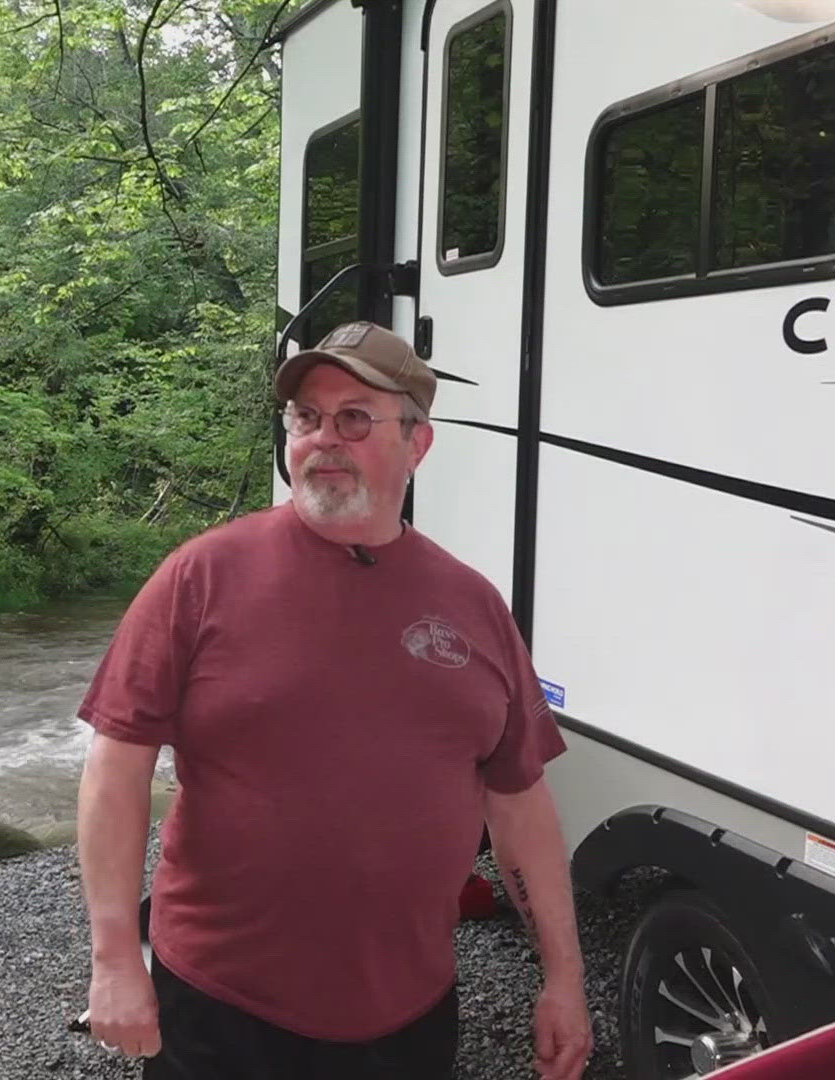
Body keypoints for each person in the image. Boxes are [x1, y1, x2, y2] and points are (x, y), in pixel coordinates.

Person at [75, 321, 592, 1080]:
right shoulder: (202, 576)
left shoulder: (472, 606)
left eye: (356, 417)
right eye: (306, 418)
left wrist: (565, 979)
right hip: (223, 1007)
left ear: (419, 444)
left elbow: (520, 806)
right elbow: (116, 768)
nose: (324, 439)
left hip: (408, 1013)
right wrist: (116, 958)